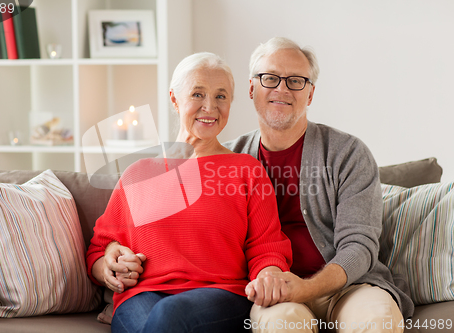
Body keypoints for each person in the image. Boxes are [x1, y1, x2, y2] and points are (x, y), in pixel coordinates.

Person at [86, 52, 292, 333]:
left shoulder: (247, 170)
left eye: (221, 96)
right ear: (174, 99)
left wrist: (269, 274)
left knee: (170, 315)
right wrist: (108, 265)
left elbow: (267, 249)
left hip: (221, 295)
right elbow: (100, 248)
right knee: (157, 319)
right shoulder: (138, 172)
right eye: (198, 94)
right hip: (141, 296)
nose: (210, 107)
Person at [224, 37, 414, 332]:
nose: (282, 89)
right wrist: (122, 246)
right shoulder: (227, 159)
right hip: (275, 295)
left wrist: (306, 288)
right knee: (281, 326)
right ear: (252, 88)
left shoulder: (348, 153)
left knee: (378, 322)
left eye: (296, 81)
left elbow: (359, 245)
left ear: (310, 94)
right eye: (270, 78)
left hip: (350, 287)